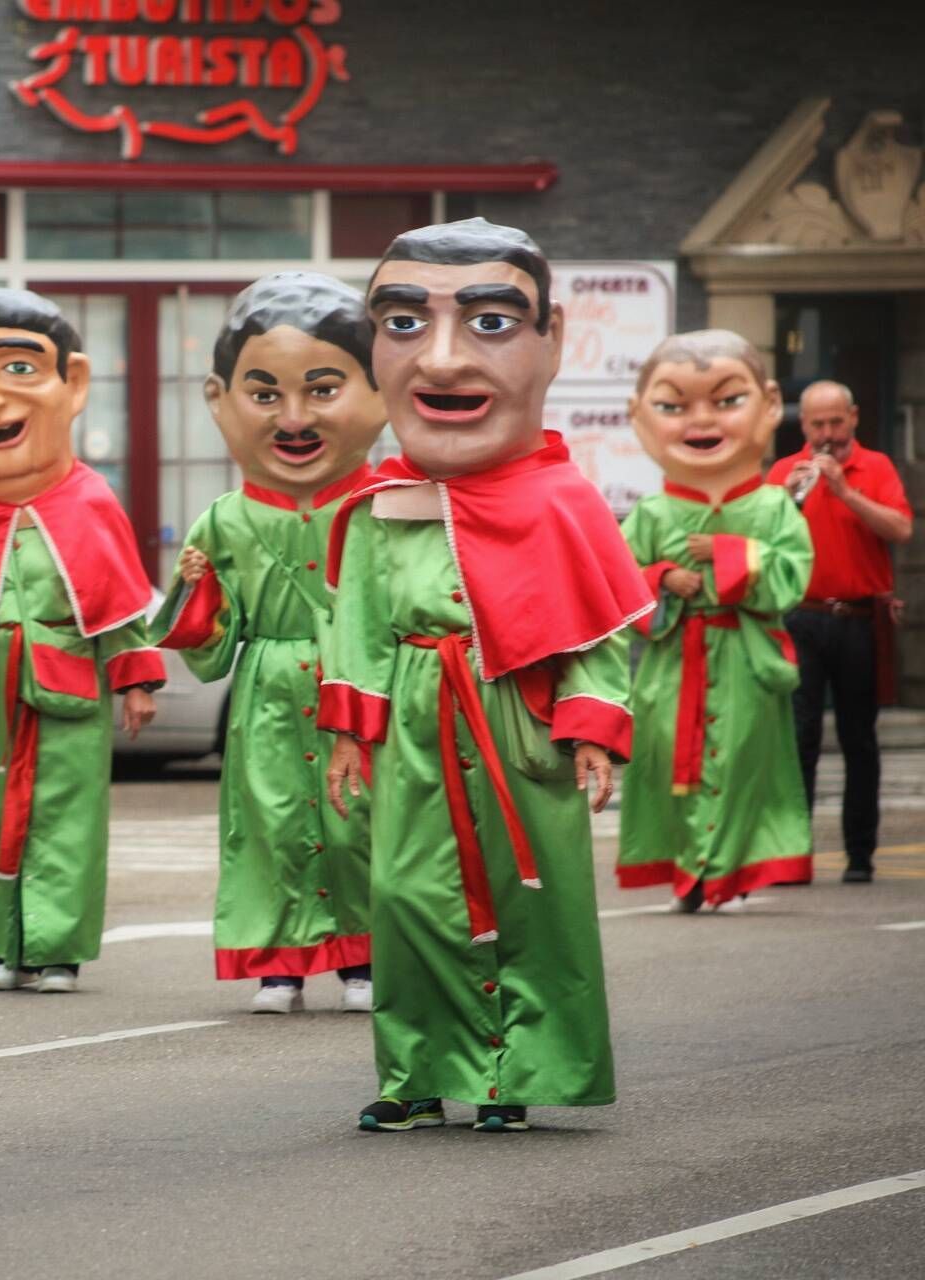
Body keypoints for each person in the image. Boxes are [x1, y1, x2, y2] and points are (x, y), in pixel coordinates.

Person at [320, 219, 651, 1134]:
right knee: (403, 899)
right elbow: (355, 623)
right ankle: (416, 1072)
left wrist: (591, 725)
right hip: (417, 726)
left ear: (553, 339)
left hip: (520, 720)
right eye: (402, 324)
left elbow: (595, 629)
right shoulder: (379, 505)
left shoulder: (561, 500)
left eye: (492, 323)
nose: (442, 360)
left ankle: (514, 1073)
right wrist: (352, 726)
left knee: (531, 904)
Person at [0, 289, 164, 994]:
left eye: (16, 369)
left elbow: (118, 605)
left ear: (72, 384)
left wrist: (135, 680)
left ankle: (58, 952)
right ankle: (6, 948)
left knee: (67, 818)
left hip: (67, 683)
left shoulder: (90, 501)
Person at [154, 272, 382, 1013]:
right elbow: (211, 646)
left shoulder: (391, 507)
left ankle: (364, 958)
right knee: (269, 824)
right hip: (270, 694)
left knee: (361, 826)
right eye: (264, 394)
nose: (293, 417)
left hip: (365, 689)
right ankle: (279, 964)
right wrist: (196, 592)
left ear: (382, 392)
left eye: (322, 390)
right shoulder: (224, 521)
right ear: (219, 400)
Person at [616, 332, 813, 911]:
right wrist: (662, 579)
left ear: (769, 406)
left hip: (745, 657)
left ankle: (726, 876)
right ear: (639, 416)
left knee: (744, 762)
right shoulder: (652, 512)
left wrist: (730, 555)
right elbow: (619, 584)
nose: (700, 420)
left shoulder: (774, 505)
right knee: (669, 767)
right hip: (675, 660)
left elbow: (792, 573)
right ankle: (689, 870)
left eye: (727, 400)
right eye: (673, 406)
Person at [767, 380, 915, 883]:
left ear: (853, 417)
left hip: (856, 619)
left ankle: (859, 856)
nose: (826, 434)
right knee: (799, 737)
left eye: (835, 422)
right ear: (803, 425)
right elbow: (754, 541)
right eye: (816, 425)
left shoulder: (876, 467)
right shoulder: (785, 472)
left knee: (859, 738)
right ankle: (796, 855)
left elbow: (900, 529)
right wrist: (786, 498)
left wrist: (845, 492)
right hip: (801, 616)